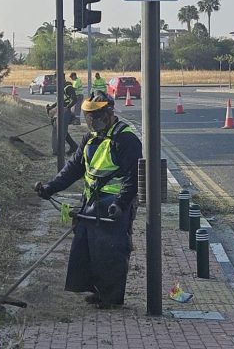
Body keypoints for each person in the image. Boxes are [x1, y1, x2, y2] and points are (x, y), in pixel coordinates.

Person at [35, 91, 142, 308]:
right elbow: (73, 168)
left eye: (96, 116)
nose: (91, 121)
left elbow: (133, 177)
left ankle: (111, 299)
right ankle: (97, 291)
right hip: (91, 201)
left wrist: (120, 204)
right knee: (86, 248)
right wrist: (51, 188)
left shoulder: (126, 139)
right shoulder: (90, 138)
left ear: (109, 113)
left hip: (114, 204)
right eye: (89, 116)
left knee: (110, 251)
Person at [46, 75, 79, 156]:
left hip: (65, 112)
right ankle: (73, 146)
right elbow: (60, 101)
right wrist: (52, 107)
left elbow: (74, 99)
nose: (55, 82)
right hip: (60, 111)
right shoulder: (61, 88)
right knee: (60, 130)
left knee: (61, 131)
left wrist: (67, 108)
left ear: (62, 79)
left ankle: (59, 152)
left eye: (56, 80)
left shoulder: (68, 87)